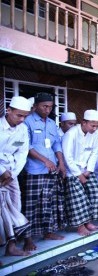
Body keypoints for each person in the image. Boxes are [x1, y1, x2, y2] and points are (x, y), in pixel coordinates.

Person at [22, 92, 67, 252]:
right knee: (31, 205)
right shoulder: (27, 121)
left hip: (52, 170)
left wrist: (60, 162)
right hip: (34, 171)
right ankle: (28, 238)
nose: (48, 110)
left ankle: (48, 232)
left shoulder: (52, 123)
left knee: (49, 202)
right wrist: (44, 160)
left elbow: (57, 145)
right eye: (44, 106)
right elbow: (26, 147)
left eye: (50, 107)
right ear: (36, 106)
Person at [62, 109, 98, 236]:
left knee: (95, 191)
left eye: (97, 126)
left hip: (86, 169)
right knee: (78, 198)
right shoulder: (71, 134)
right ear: (83, 122)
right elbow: (67, 157)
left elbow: (94, 152)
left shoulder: (95, 134)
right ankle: (80, 226)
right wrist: (79, 174)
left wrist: (89, 170)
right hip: (72, 171)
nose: (95, 128)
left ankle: (88, 222)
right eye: (93, 125)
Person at [0, 96, 32, 256]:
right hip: (1, 171)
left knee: (14, 207)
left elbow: (22, 153)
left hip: (11, 173)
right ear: (8, 110)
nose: (22, 119)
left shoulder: (23, 129)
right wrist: (1, 171)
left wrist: (12, 175)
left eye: (25, 116)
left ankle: (10, 246)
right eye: (19, 115)